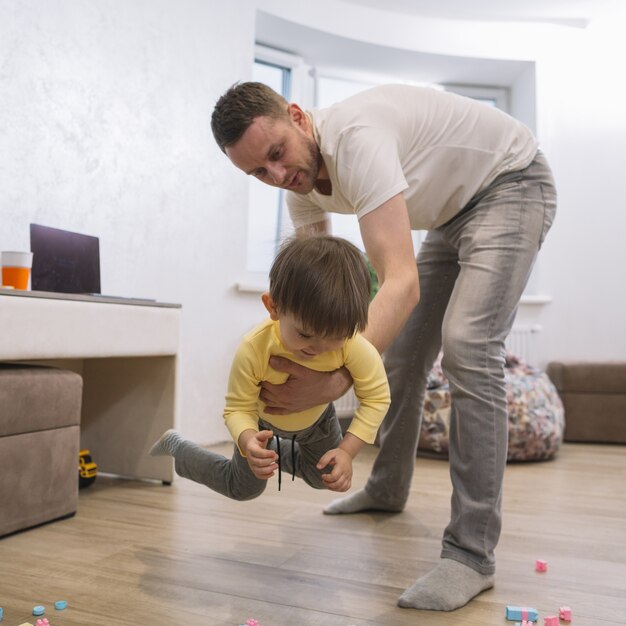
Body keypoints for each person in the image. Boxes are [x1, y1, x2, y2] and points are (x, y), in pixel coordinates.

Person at [210, 81, 557, 611]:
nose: (277, 176)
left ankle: (470, 554)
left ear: (298, 117)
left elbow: (400, 282)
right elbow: (316, 301)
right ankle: (388, 487)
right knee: (397, 354)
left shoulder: (357, 140)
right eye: (259, 172)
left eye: (276, 155)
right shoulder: (300, 186)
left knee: (467, 344)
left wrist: (334, 380)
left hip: (511, 183)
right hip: (448, 215)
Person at [150, 235, 390, 500]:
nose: (317, 348)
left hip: (318, 420)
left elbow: (377, 397)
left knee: (326, 475)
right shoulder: (254, 348)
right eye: (305, 335)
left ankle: (278, 451)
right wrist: (248, 440)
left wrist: (347, 450)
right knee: (242, 488)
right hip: (261, 422)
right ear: (273, 307)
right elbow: (237, 409)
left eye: (333, 338)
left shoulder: (351, 343)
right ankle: (178, 447)